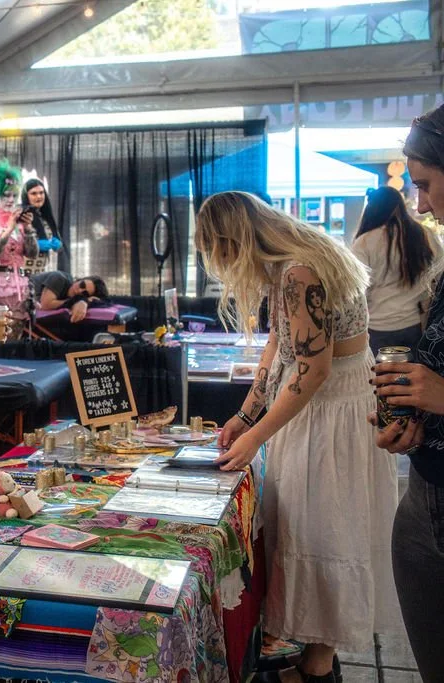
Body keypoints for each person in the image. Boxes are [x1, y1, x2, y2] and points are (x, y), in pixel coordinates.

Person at [199, 191, 396, 683]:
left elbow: (311, 369)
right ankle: (315, 655)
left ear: (234, 240)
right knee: (316, 525)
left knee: (325, 528)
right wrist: (245, 416)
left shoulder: (297, 272)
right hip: (327, 406)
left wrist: (256, 433)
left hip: (328, 412)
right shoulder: (298, 258)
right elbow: (278, 345)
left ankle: (317, 666)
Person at [370, 106, 444, 682]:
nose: (421, 203)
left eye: (425, 184)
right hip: (425, 492)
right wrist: (418, 413)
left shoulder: (369, 241)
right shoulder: (433, 253)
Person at [351, 185, 439, 353]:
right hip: (415, 323)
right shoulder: (424, 234)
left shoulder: (364, 242)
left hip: (377, 326)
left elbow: (358, 290)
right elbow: (438, 274)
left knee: (381, 377)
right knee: (411, 376)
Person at [0, 161, 37, 339]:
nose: (11, 200)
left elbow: (32, 254)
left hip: (19, 289)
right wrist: (8, 230)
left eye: (14, 196)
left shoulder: (18, 220)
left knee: (13, 344)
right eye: (6, 195)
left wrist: (29, 228)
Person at [21, 178, 63, 275]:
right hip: (22, 273)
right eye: (34, 193)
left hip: (40, 272)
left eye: (41, 192)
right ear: (26, 196)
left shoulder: (45, 217)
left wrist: (58, 245)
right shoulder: (22, 216)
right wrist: (36, 245)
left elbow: (59, 247)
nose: (39, 196)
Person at [32, 271, 108, 323]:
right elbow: (45, 304)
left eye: (85, 293)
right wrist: (75, 301)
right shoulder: (59, 278)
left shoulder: (69, 297)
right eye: (82, 285)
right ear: (79, 280)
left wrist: (85, 301)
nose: (79, 290)